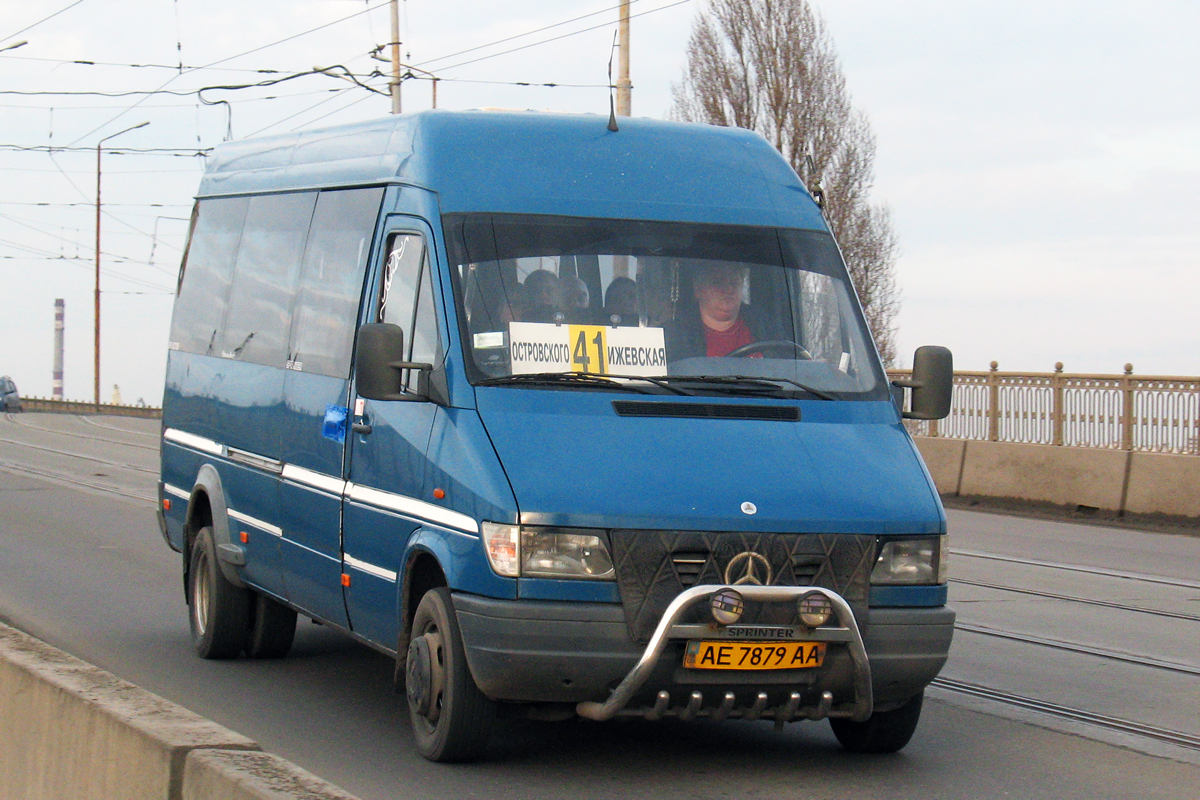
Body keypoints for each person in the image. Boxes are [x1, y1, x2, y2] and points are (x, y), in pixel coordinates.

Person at [664, 262, 761, 359]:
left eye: (735, 282)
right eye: (718, 282)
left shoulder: (764, 327)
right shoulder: (674, 337)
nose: (729, 289)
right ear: (698, 289)